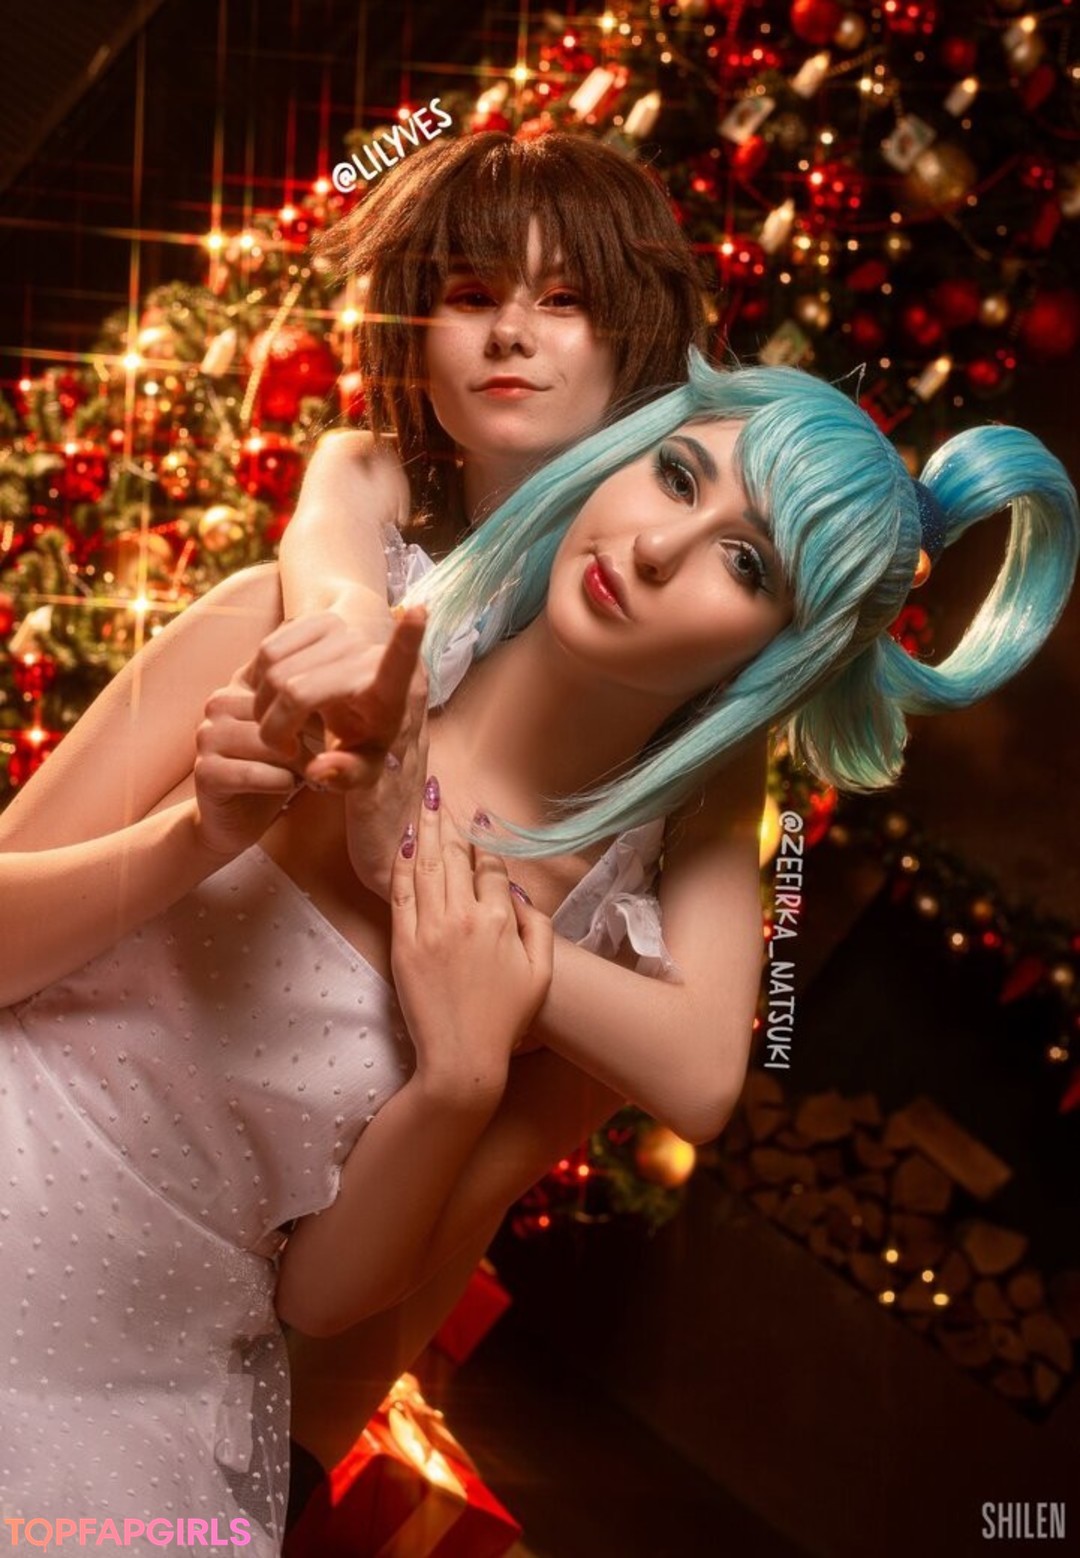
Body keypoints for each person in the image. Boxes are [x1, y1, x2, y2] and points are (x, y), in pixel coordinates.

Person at [1, 357, 1074, 1552]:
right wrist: (196, 837)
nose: (657, 547)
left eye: (747, 564)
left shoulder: (606, 957)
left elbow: (324, 1296)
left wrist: (459, 1079)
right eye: (677, 475)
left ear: (779, 654)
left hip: (134, 1401)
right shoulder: (296, 628)